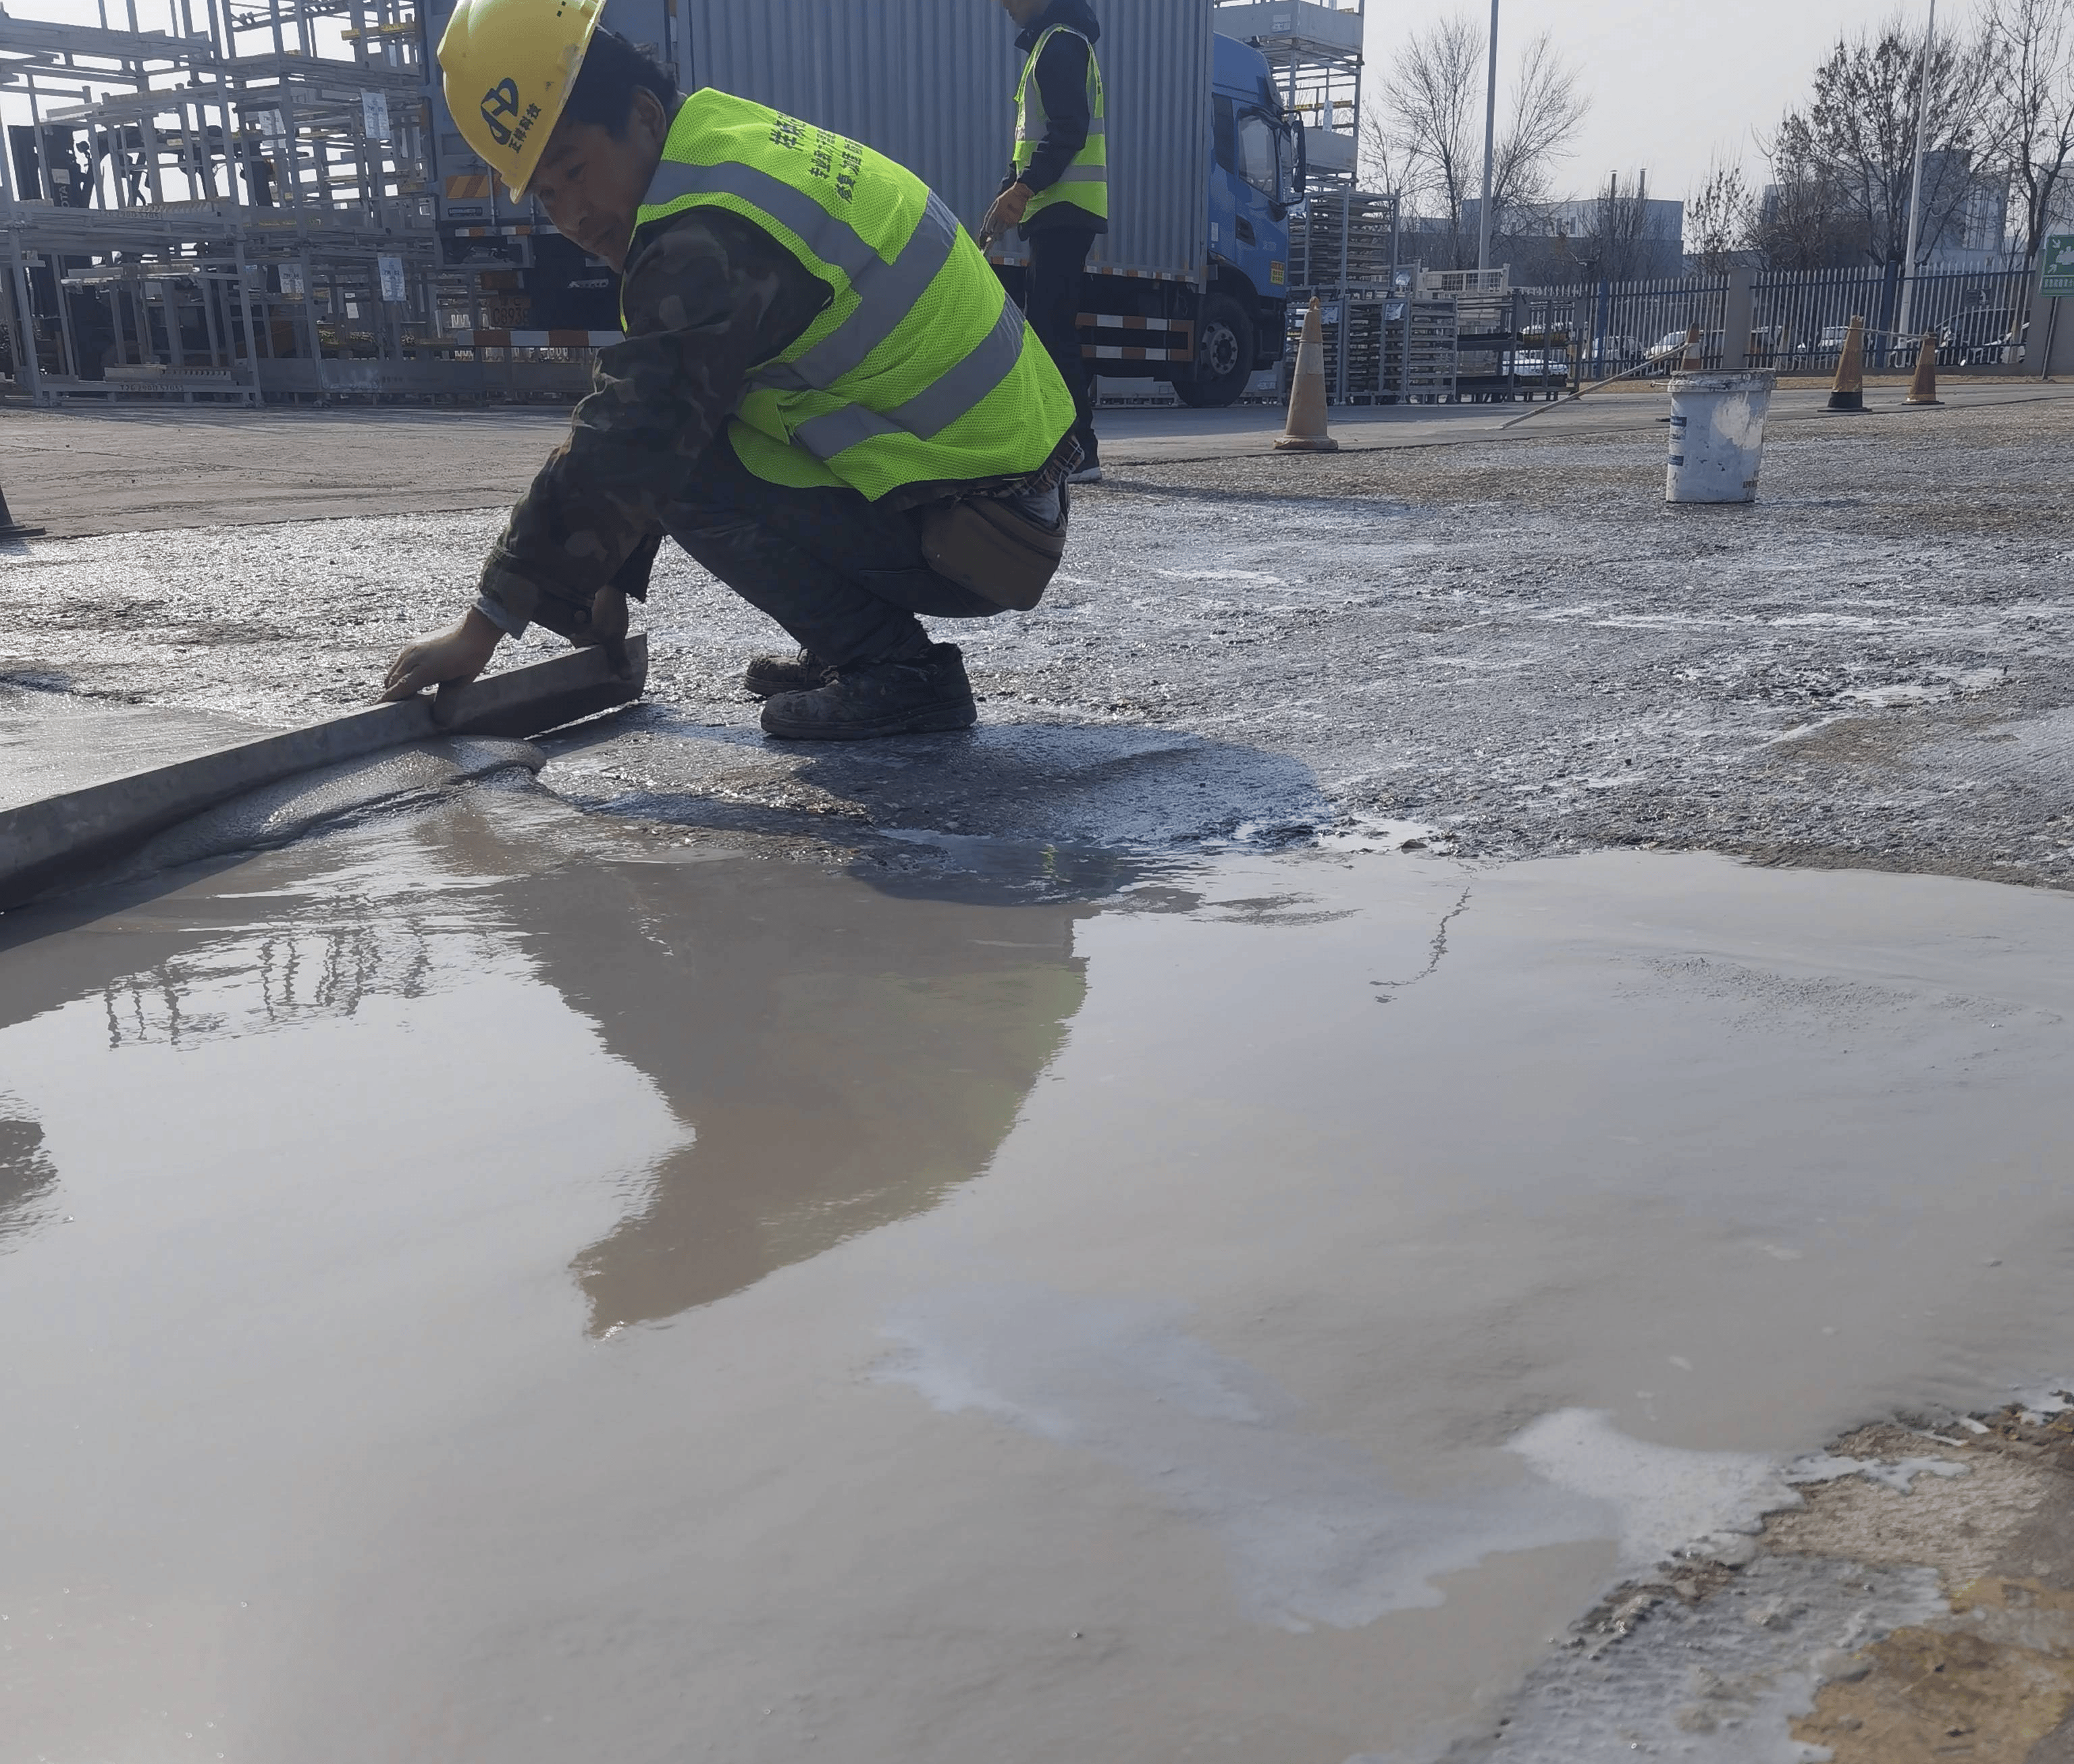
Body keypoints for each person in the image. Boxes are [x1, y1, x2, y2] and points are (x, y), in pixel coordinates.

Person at [383, 0, 1080, 740]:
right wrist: (606, 579)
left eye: (577, 170)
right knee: (695, 434)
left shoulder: (704, 235)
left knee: (680, 466)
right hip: (995, 492)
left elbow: (636, 436)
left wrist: (484, 626)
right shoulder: (718, 151)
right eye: (548, 194)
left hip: (984, 530)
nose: (574, 216)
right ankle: (850, 642)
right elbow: (675, 402)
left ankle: (896, 668)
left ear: (644, 116)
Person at [980, 0, 1105, 485]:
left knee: (1052, 329)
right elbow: (1030, 142)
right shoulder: (1051, 46)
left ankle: (1078, 452)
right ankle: (1067, 447)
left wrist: (1026, 187)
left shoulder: (1061, 46)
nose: (1004, 4)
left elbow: (1069, 131)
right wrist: (1007, 195)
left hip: (1063, 209)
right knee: (1048, 328)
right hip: (1055, 210)